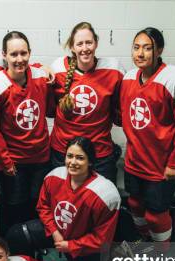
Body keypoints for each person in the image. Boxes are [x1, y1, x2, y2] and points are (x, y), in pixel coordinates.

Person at [119, 28, 175, 242]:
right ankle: (144, 239)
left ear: (160, 50)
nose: (140, 53)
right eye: (136, 47)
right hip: (135, 161)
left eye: (148, 48)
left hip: (161, 165)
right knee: (135, 205)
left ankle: (161, 253)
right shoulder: (129, 78)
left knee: (156, 215)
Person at [6, 137, 120, 261]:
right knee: (17, 234)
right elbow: (43, 207)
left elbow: (102, 239)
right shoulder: (54, 177)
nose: (72, 162)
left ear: (90, 162)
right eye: (69, 156)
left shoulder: (105, 194)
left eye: (80, 158)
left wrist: (71, 246)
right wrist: (54, 231)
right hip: (57, 232)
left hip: (83, 244)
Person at [0, 31, 51, 229]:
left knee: (37, 204)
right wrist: (5, 162)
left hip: (41, 158)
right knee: (14, 207)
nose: (19, 59)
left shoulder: (40, 76)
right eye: (13, 54)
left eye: (23, 53)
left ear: (30, 53)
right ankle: (16, 246)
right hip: (14, 161)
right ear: (4, 55)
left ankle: (34, 249)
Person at [50, 22, 124, 184]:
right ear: (72, 47)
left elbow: (120, 110)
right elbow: (50, 108)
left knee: (103, 200)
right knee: (64, 199)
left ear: (96, 43)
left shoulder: (114, 70)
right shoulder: (57, 69)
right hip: (64, 150)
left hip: (99, 152)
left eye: (89, 42)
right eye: (80, 43)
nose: (85, 48)